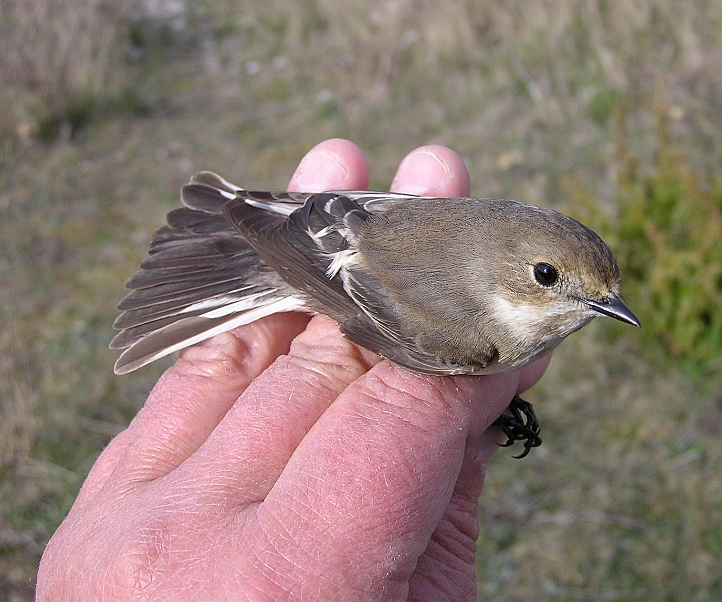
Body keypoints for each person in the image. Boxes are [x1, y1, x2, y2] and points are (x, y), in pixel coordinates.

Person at [35, 139, 550, 601]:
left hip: (350, 222)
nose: (587, 303)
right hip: (325, 263)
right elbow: (359, 294)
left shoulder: (507, 233)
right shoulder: (473, 331)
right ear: (516, 267)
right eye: (550, 278)